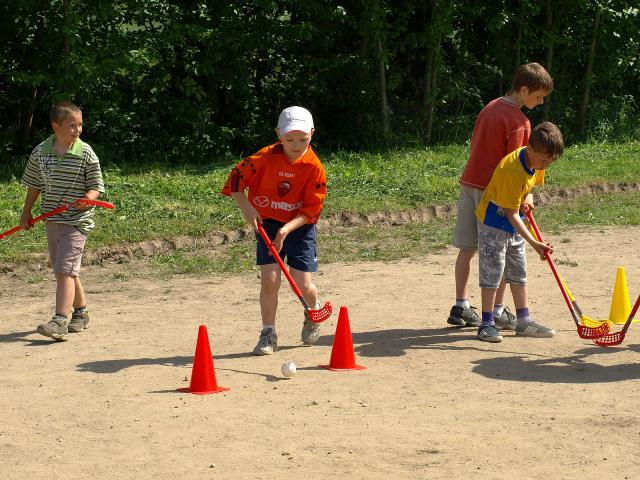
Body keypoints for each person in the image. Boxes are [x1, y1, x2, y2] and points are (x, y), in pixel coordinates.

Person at [448, 62, 554, 330]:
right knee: (502, 251)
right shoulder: (520, 122)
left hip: (469, 183)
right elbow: (520, 166)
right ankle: (495, 311)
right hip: (495, 193)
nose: (540, 102)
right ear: (524, 89)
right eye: (538, 96)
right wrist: (525, 196)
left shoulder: (491, 106)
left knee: (467, 248)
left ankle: (461, 304)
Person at [221, 106, 328, 355]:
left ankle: (312, 311)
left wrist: (286, 230)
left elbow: (311, 210)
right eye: (290, 139)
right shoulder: (264, 157)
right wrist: (245, 206)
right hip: (267, 222)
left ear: (312, 134)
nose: (296, 144)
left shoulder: (314, 167)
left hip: (300, 227)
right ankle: (268, 333)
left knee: (302, 283)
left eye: (303, 139)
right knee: (270, 280)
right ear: (279, 134)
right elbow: (236, 177)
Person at [20, 101, 105, 341]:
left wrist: (88, 199)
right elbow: (34, 183)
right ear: (55, 125)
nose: (77, 130)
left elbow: (96, 186)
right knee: (65, 272)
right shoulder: (40, 152)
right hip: (52, 219)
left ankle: (59, 320)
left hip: (77, 221)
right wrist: (26, 213)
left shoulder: (85, 152)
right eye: (71, 125)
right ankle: (81, 313)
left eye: (80, 125)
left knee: (64, 270)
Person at [474, 121, 564, 342]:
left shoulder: (536, 163)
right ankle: (486, 323)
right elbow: (511, 214)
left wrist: (528, 197)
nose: (545, 165)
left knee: (517, 269)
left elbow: (530, 185)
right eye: (543, 160)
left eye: (549, 161)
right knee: (493, 272)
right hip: (494, 223)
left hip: (514, 222)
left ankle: (523, 321)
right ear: (530, 148)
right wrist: (535, 244)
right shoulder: (511, 170)